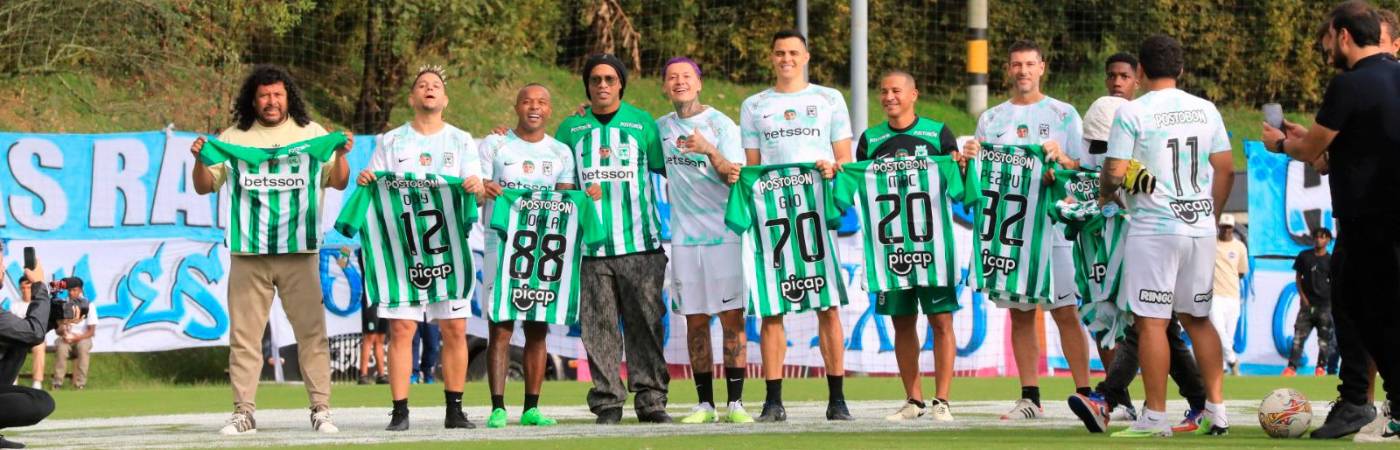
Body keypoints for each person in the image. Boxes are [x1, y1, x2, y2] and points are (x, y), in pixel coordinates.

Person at [1262, 2, 1399, 441]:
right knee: (1365, 308)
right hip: (1387, 216)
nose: (1326, 52)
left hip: (1369, 218)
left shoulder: (1349, 84)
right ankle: (1358, 399)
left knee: (1364, 311)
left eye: (1326, 43)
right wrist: (1319, 147)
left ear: (1343, 36)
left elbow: (1308, 151)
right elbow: (1351, 146)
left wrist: (1285, 143)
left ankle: (1361, 401)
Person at [190, 64, 349, 435]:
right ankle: (243, 411)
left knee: (312, 333)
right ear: (253, 100)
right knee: (244, 337)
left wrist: (340, 153)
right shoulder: (233, 137)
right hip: (249, 252)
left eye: (277, 94)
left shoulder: (312, 134)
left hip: (300, 251)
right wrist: (200, 158)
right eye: (264, 95)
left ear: (288, 96)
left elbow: (337, 182)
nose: (271, 101)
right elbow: (204, 187)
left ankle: (321, 409)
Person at [1099, 34, 1234, 438]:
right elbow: (1225, 168)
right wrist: (1211, 214)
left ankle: (1155, 416)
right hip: (1199, 227)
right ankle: (1217, 411)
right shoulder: (1205, 109)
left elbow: (1115, 171)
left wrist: (1109, 196)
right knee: (1198, 319)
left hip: (1154, 229)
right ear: (1180, 70)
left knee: (1152, 323)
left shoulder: (1132, 112)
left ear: (1140, 71)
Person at [960, 39, 1098, 424]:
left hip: (1052, 227)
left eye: (1029, 64)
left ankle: (1086, 394)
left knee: (1065, 311)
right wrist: (969, 157)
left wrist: (1063, 160)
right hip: (1011, 232)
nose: (1022, 70)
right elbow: (977, 174)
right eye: (1016, 64)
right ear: (1008, 69)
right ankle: (1030, 397)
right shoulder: (991, 119)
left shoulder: (1064, 114)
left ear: (1042, 67)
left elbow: (1082, 172)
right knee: (1021, 314)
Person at [355, 66, 483, 431]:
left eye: (436, 86)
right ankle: (399, 411)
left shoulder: (461, 140)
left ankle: (454, 410)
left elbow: (473, 184)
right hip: (402, 249)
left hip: (447, 248)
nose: (429, 89)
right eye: (422, 86)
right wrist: (366, 178)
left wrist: (474, 184)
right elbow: (373, 184)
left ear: (445, 99)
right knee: (401, 330)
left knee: (455, 329)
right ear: (412, 98)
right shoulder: (391, 141)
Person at [739, 30, 854, 422]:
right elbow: (753, 168)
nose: (785, 58)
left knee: (828, 305)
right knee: (772, 306)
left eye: (793, 52)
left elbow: (845, 160)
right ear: (771, 58)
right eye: (779, 53)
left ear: (806, 55)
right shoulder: (754, 105)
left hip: (817, 211)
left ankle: (837, 400)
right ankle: (773, 401)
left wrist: (832, 168)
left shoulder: (829, 99)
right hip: (773, 213)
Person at [555, 54, 671, 425]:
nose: (602, 85)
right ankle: (607, 402)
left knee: (646, 326)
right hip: (591, 248)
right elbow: (557, 180)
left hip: (641, 245)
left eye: (609, 79)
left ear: (621, 84)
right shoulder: (570, 129)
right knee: (598, 330)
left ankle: (652, 401)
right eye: (595, 80)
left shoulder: (643, 124)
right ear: (587, 86)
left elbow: (671, 172)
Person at [846, 71, 963, 422]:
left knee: (941, 321)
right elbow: (859, 187)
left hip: (932, 247)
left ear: (914, 93)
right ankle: (914, 400)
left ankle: (942, 400)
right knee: (902, 322)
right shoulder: (870, 139)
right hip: (890, 250)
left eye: (896, 90)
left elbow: (957, 182)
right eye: (883, 91)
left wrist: (960, 161)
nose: (889, 97)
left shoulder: (938, 133)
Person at [649, 58, 752, 425]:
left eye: (686, 77)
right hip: (685, 239)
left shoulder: (721, 124)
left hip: (724, 236)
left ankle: (736, 403)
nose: (679, 82)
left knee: (731, 318)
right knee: (694, 320)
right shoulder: (659, 128)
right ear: (665, 86)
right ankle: (705, 404)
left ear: (699, 84)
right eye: (672, 77)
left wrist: (709, 148)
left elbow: (733, 176)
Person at [478, 83, 577, 428]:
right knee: (500, 327)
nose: (534, 107)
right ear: (516, 106)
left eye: (541, 102)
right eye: (527, 101)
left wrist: (585, 197)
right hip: (499, 245)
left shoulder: (561, 152)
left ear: (549, 110)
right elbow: (475, 193)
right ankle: (497, 407)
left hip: (540, 249)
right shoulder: (495, 144)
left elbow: (566, 204)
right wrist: (485, 189)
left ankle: (532, 407)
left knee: (538, 326)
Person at [1285, 228, 1334, 376]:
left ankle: (1320, 368)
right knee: (1298, 338)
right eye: (1317, 236)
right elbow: (1298, 278)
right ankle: (1292, 368)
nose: (1319, 240)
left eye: (1323, 237)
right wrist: (1303, 298)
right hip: (1307, 306)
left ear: (1328, 240)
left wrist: (1331, 301)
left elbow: (1334, 282)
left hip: (1325, 306)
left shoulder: (1330, 260)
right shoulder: (1304, 256)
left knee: (1324, 341)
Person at [1212, 215, 1249, 376]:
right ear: (1219, 227)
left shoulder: (1240, 247)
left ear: (1233, 229)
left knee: (1229, 336)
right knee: (1218, 331)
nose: (1226, 230)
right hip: (1214, 296)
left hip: (1233, 296)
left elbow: (1241, 272)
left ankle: (1222, 367)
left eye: (1229, 227)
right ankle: (1233, 360)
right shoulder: (1211, 244)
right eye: (1223, 226)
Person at [53, 278, 94, 390]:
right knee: (61, 347)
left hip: (82, 338)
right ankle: (57, 383)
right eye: (69, 290)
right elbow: (57, 329)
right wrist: (64, 332)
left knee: (83, 347)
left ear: (80, 290)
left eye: (74, 290)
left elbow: (91, 331)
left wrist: (77, 337)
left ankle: (80, 383)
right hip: (65, 338)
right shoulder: (62, 304)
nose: (71, 293)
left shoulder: (88, 305)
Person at [355, 250, 389, 386]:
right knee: (369, 337)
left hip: (385, 300)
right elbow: (342, 263)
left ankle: (381, 374)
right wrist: (344, 251)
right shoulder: (364, 250)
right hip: (371, 300)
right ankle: (363, 374)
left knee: (381, 338)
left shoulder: (385, 251)